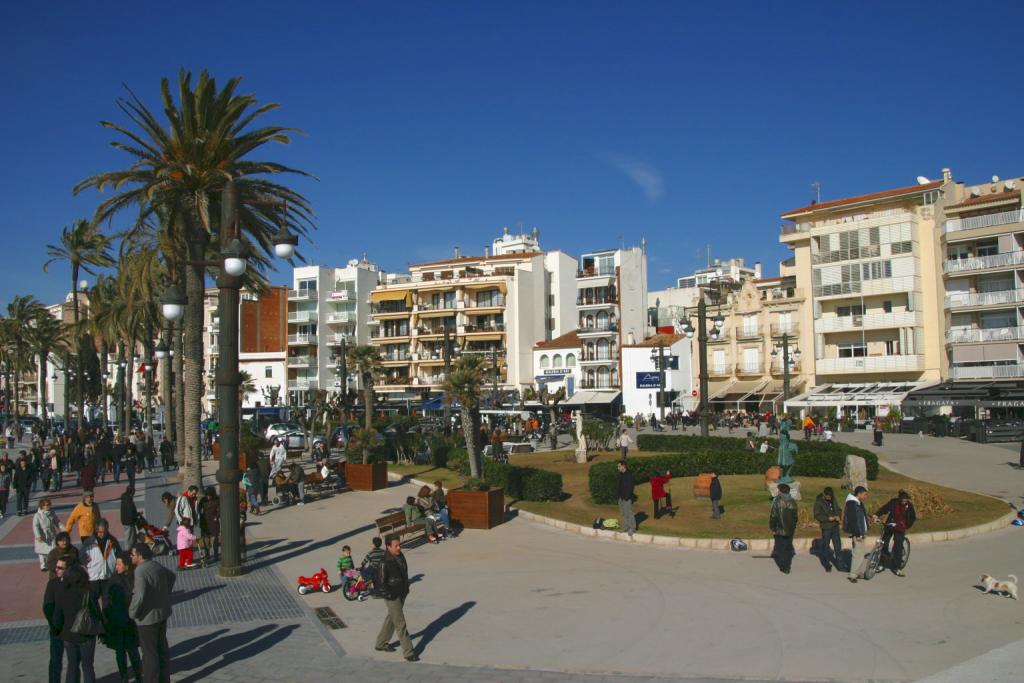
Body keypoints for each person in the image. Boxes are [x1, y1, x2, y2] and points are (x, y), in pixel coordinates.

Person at [129, 542, 176, 683]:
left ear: (140, 556)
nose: (130, 557)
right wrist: (163, 594)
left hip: (147, 619)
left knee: (149, 655)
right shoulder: (155, 565)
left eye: (133, 555)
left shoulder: (140, 571)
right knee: (161, 649)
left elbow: (140, 595)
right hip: (162, 614)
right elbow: (172, 576)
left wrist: (132, 612)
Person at [52, 564, 100, 683]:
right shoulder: (89, 594)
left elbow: (57, 618)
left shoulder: (62, 594)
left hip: (68, 635)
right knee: (88, 667)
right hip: (86, 635)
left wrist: (58, 631)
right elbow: (97, 614)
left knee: (72, 666)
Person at [375, 534, 418, 661]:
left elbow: (404, 573)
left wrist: (406, 588)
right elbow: (380, 583)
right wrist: (390, 595)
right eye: (396, 546)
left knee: (392, 618)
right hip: (392, 595)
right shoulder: (384, 562)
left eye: (399, 545)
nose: (399, 548)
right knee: (400, 623)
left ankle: (380, 643)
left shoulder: (400, 556)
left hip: (402, 592)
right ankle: (409, 652)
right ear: (388, 547)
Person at [104, 551, 143, 683]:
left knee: (133, 651)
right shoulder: (113, 580)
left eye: (119, 564)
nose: (116, 567)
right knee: (120, 652)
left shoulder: (135, 577)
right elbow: (106, 601)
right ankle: (124, 678)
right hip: (117, 622)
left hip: (131, 621)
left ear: (127, 565)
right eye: (116, 564)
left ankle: (138, 676)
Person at [874, 489, 916, 577]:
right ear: (900, 498)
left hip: (901, 526)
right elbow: (884, 508)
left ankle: (897, 567)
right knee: (884, 542)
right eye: (903, 499)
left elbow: (912, 518)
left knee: (898, 545)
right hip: (891, 524)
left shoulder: (909, 506)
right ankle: (882, 563)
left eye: (906, 499)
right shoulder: (894, 502)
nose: (904, 500)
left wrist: (906, 525)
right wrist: (877, 514)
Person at [43, 554, 70, 683]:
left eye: (60, 568)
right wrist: (54, 624)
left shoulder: (76, 584)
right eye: (57, 567)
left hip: (72, 629)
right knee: (55, 660)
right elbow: (47, 607)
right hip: (57, 629)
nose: (57, 570)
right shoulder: (52, 584)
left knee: (74, 661)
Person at [83, 518, 121, 601]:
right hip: (94, 577)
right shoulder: (88, 542)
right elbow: (81, 557)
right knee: (93, 602)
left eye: (104, 532)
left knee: (107, 602)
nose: (102, 534)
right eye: (100, 532)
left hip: (108, 576)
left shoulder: (113, 541)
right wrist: (84, 559)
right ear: (96, 530)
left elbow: (119, 556)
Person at [769, 482, 798, 574]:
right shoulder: (793, 502)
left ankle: (784, 566)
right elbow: (795, 517)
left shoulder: (777, 501)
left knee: (781, 548)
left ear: (781, 491)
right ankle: (787, 565)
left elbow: (773, 516)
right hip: (790, 529)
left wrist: (772, 528)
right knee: (787, 548)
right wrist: (793, 526)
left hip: (780, 529)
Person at [844, 486, 871, 583]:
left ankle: (857, 571)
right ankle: (852, 575)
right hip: (857, 533)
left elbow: (862, 516)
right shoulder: (852, 504)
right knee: (857, 553)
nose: (865, 496)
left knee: (861, 553)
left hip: (861, 532)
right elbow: (853, 520)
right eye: (864, 494)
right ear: (859, 494)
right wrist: (857, 534)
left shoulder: (858, 503)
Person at [813, 487, 843, 573]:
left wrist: (838, 516)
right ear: (824, 495)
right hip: (826, 527)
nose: (829, 498)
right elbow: (817, 515)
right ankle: (827, 565)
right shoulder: (819, 502)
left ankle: (840, 565)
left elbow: (839, 509)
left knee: (838, 546)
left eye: (830, 496)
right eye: (828, 497)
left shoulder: (833, 499)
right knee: (826, 546)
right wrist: (827, 518)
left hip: (835, 526)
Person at [34, 497, 61, 572]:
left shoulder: (52, 512)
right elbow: (35, 526)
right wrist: (38, 535)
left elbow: (57, 522)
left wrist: (63, 528)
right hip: (42, 535)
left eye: (49, 505)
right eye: (46, 505)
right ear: (42, 506)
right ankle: (43, 565)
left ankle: (52, 563)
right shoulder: (37, 515)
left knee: (52, 549)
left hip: (51, 534)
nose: (48, 506)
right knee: (42, 551)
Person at [198, 486, 221, 564]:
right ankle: (207, 554)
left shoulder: (217, 500)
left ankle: (216, 554)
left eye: (210, 495)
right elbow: (198, 509)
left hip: (214, 522)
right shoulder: (203, 500)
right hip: (205, 521)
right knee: (206, 539)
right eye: (207, 495)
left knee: (215, 538)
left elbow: (220, 510)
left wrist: (217, 517)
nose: (208, 497)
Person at [616, 461, 636, 536]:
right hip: (621, 498)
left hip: (627, 498)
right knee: (623, 513)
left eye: (619, 466)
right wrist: (618, 496)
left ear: (623, 466)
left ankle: (632, 528)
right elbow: (619, 486)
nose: (618, 468)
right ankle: (626, 527)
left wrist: (627, 497)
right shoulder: (621, 474)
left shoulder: (629, 474)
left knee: (629, 513)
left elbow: (631, 487)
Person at [121, 486, 139, 552]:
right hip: (129, 522)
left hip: (126, 521)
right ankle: (127, 551)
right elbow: (130, 511)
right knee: (129, 538)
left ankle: (133, 549)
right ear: (132, 492)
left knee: (132, 537)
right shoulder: (128, 499)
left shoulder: (125, 498)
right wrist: (134, 518)